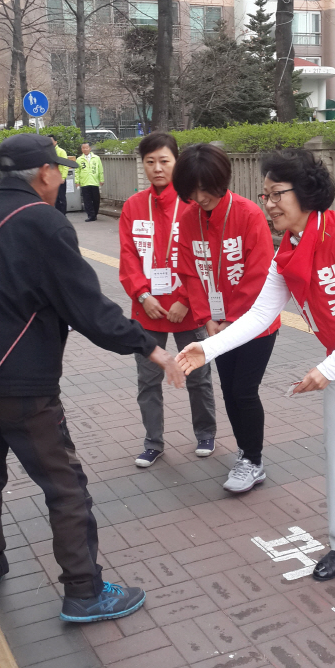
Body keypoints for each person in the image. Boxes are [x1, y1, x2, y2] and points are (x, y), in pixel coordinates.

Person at [0, 134, 184, 622]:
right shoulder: (44, 222)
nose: (62, 179)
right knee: (65, 486)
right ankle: (83, 590)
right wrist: (149, 347)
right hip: (25, 386)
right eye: (59, 170)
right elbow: (88, 309)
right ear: (43, 174)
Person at [176, 147, 335, 582]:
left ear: (305, 193)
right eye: (265, 194)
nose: (268, 203)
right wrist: (205, 350)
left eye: (276, 194)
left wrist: (328, 368)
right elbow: (259, 314)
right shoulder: (287, 248)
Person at [174, 144, 280, 494]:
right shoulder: (189, 219)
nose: (199, 197)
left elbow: (258, 274)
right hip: (216, 326)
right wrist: (207, 319)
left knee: (244, 391)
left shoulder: (248, 215)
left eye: (205, 188)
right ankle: (246, 455)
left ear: (222, 181)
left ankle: (253, 460)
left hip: (255, 324)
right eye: (192, 190)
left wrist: (234, 320)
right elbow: (190, 274)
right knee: (230, 392)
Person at [119, 132, 217, 467]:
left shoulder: (192, 204)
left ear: (177, 162)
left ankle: (205, 434)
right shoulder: (133, 206)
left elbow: (202, 258)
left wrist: (186, 300)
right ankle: (153, 442)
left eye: (165, 161)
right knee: (148, 380)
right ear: (142, 164)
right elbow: (128, 256)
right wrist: (143, 295)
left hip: (187, 309)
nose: (157, 168)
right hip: (148, 309)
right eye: (150, 162)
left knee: (198, 375)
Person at [76, 141, 104, 221]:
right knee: (87, 200)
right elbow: (77, 172)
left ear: (90, 148)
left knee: (96, 199)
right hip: (84, 182)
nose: (85, 149)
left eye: (86, 148)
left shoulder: (96, 158)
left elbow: (100, 169)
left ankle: (95, 213)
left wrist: (101, 179)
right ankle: (90, 215)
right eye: (83, 148)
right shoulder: (79, 159)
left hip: (94, 181)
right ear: (81, 149)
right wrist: (77, 182)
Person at [49, 134, 69, 214]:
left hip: (60, 178)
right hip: (51, 179)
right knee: (55, 198)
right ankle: (57, 214)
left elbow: (65, 166)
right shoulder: (47, 152)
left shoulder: (61, 151)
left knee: (61, 197)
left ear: (56, 142)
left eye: (51, 141)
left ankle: (63, 214)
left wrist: (63, 177)